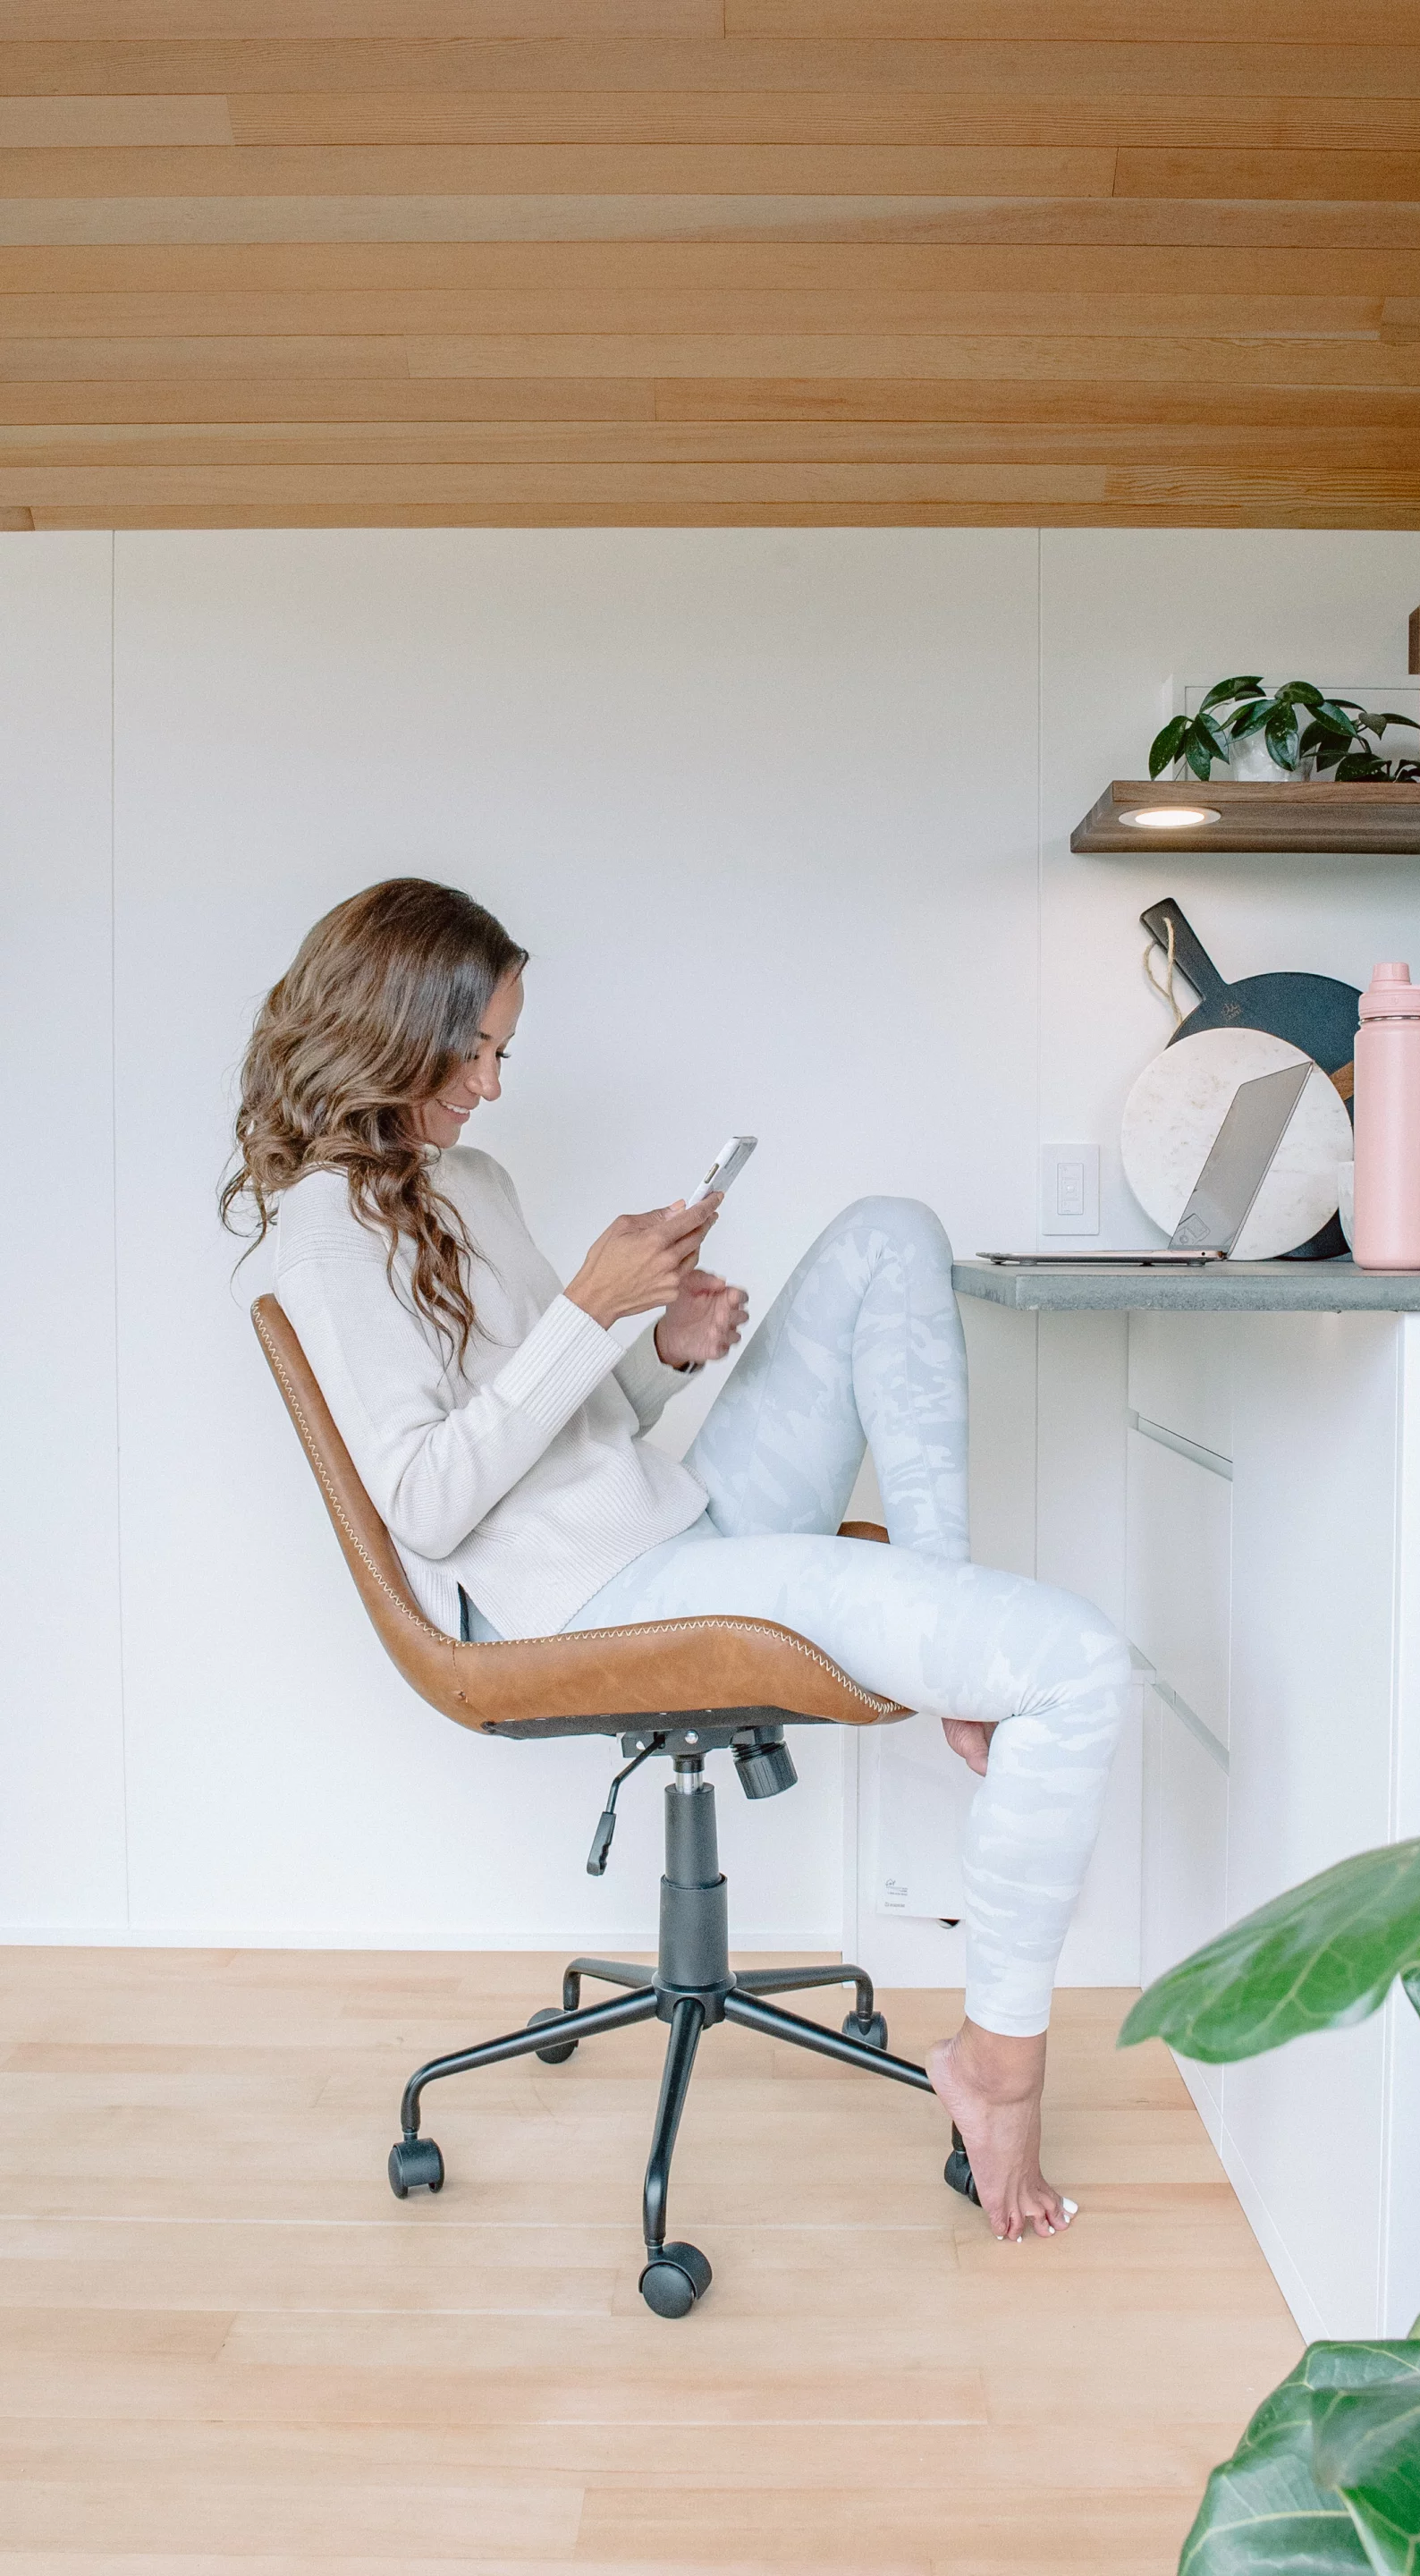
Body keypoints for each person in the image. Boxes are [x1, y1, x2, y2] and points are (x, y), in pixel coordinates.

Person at [223, 878, 1131, 2241]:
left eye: (503, 1051)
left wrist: (660, 1351)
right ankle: (997, 2067)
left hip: (668, 1522)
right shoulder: (325, 1233)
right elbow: (429, 1503)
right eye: (473, 1050)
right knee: (1076, 1663)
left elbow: (575, 1434)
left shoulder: (470, 1182)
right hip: (583, 1599)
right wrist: (588, 1306)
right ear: (387, 1027)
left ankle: (945, 1627)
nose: (491, 1084)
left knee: (888, 1229)